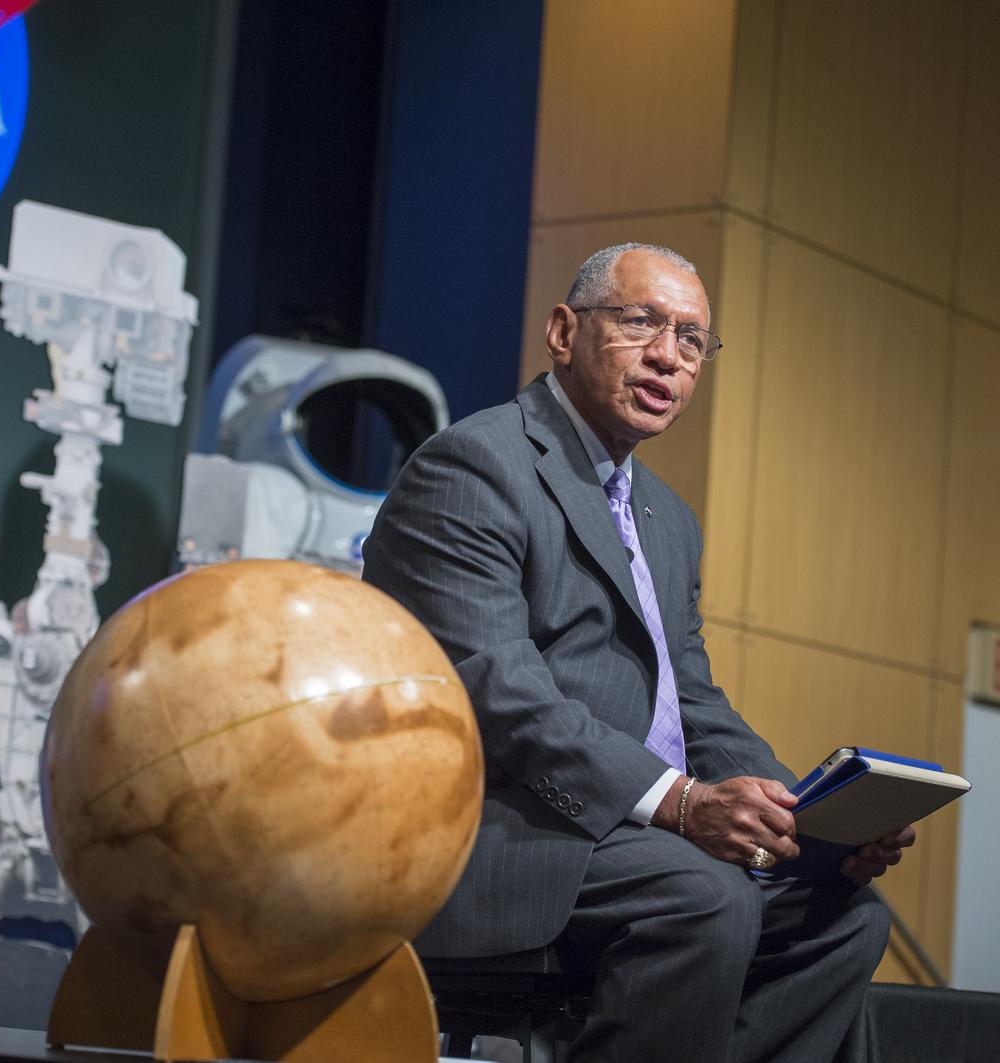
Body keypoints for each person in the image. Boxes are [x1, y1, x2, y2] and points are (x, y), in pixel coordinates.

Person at [361, 243, 915, 1061]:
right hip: (503, 833)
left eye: (692, 340)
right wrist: (682, 802)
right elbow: (498, 690)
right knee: (705, 898)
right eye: (641, 321)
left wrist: (807, 816)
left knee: (848, 917)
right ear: (563, 332)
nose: (669, 354)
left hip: (633, 839)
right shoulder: (474, 465)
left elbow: (692, 698)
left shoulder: (666, 515)